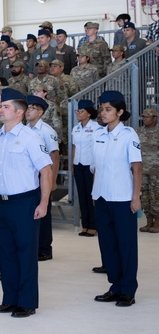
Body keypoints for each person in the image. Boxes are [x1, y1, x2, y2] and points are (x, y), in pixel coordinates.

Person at [0, 89, 53, 318]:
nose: (1, 110)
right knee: (5, 253)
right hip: (1, 202)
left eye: (5, 106)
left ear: (19, 112)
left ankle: (26, 302)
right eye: (1, 106)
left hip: (24, 202)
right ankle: (10, 298)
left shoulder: (30, 137)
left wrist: (44, 203)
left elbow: (46, 171)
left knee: (25, 253)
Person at [90, 91, 142, 308]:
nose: (103, 113)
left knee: (126, 244)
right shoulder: (98, 135)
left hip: (122, 198)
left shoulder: (129, 135)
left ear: (120, 112)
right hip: (101, 197)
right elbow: (96, 168)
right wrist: (95, 192)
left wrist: (136, 197)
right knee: (108, 244)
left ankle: (128, 289)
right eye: (102, 109)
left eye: (108, 109)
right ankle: (115, 286)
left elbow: (136, 167)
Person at [25, 96, 60, 262]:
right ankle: (34, 246)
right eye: (27, 107)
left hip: (43, 173)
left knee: (43, 211)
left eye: (32, 108)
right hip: (28, 174)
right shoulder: (24, 128)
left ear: (40, 112)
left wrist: (52, 181)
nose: (28, 111)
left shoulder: (46, 131)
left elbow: (55, 156)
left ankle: (45, 248)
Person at [71, 99, 101, 237]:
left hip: (91, 165)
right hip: (79, 164)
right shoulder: (75, 128)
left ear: (88, 113)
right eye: (77, 111)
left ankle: (93, 225)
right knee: (81, 196)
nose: (78, 113)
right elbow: (74, 147)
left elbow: (98, 148)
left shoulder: (96, 128)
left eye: (81, 111)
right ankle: (85, 225)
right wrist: (72, 164)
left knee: (91, 196)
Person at [139, 109, 159, 233]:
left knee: (156, 195)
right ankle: (148, 221)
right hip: (142, 169)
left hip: (156, 170)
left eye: (148, 116)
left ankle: (157, 222)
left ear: (154, 118)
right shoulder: (139, 131)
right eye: (144, 117)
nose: (145, 119)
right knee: (145, 196)